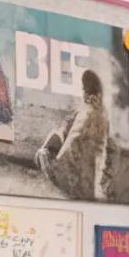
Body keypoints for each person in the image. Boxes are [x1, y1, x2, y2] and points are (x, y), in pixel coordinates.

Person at [34, 68, 111, 201]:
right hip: (90, 187)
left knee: (45, 150)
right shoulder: (103, 116)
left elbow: (68, 136)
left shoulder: (83, 111)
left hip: (67, 180)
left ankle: (45, 159)